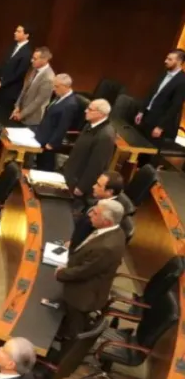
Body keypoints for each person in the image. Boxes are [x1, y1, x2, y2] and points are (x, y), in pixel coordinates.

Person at [55, 199, 126, 339]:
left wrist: (60, 273)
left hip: (83, 297)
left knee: (73, 329)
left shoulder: (107, 247)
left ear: (106, 222)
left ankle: (67, 342)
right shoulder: (115, 231)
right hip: (85, 281)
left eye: (96, 213)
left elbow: (84, 271)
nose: (90, 214)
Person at [63, 100, 116, 198]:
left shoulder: (106, 136)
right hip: (71, 174)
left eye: (90, 109)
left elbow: (96, 166)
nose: (86, 111)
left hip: (79, 183)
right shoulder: (89, 125)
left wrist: (82, 187)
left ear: (100, 114)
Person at [70, 171, 133, 247]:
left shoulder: (112, 213)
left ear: (109, 192)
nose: (93, 186)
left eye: (98, 185)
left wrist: (72, 244)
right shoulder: (102, 199)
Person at [136, 48, 185, 143]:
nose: (165, 61)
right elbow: (151, 93)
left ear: (179, 62)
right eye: (166, 58)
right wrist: (141, 111)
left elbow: (175, 106)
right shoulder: (163, 74)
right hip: (147, 116)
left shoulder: (182, 81)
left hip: (158, 123)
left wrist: (160, 127)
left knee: (148, 150)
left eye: (170, 59)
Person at [34, 73, 79, 170]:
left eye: (56, 86)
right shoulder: (60, 96)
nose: (54, 89)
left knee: (45, 167)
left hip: (49, 142)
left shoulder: (70, 104)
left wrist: (52, 143)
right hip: (43, 136)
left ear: (65, 86)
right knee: (38, 164)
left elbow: (63, 126)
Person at [0, 25, 32, 115]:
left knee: (2, 114)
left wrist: (2, 83)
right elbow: (3, 63)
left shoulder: (27, 53)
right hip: (0, 86)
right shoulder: (12, 46)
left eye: (19, 31)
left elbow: (19, 73)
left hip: (10, 90)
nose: (15, 33)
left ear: (26, 35)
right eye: (16, 31)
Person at [10, 47, 54, 125]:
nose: (31, 60)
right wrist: (17, 106)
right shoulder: (34, 69)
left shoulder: (49, 78)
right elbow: (25, 89)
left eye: (35, 59)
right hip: (20, 112)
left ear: (44, 60)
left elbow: (38, 101)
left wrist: (21, 114)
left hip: (31, 119)